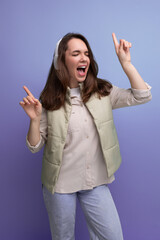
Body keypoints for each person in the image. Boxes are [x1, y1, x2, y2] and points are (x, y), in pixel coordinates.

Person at [20, 32, 152, 240]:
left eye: (86, 53)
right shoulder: (48, 101)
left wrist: (126, 64)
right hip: (60, 184)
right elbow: (34, 146)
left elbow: (142, 95)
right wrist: (35, 120)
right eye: (76, 53)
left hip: (95, 180)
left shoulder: (103, 92)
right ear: (61, 61)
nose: (84, 58)